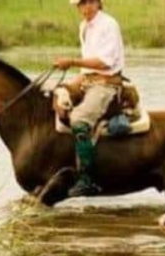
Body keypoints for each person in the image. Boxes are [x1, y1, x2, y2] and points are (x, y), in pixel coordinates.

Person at [54, 0, 125, 197]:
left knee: (78, 119)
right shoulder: (84, 26)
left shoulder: (109, 24)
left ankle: (88, 179)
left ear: (96, 2)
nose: (83, 9)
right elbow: (87, 66)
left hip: (106, 82)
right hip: (86, 79)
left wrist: (72, 61)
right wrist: (73, 81)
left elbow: (105, 62)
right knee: (55, 94)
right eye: (79, 5)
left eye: (86, 3)